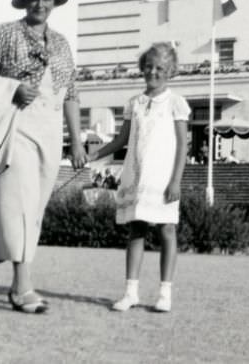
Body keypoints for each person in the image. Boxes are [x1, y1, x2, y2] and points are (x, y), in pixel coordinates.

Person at [0, 0, 87, 314]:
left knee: (34, 209)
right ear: (25, 2)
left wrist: (76, 141)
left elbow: (72, 94)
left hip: (49, 129)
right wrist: (12, 88)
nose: (41, 4)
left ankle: (20, 282)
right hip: (16, 124)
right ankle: (23, 286)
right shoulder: (5, 33)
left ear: (54, 2)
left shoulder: (62, 44)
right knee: (20, 202)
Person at [88, 43, 189, 313]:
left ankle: (164, 293)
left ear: (170, 72)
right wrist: (93, 154)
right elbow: (122, 139)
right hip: (137, 175)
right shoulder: (134, 103)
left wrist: (175, 180)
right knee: (136, 230)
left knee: (167, 229)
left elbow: (182, 146)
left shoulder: (176, 103)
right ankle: (130, 291)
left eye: (160, 68)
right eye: (149, 67)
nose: (153, 72)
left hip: (163, 177)